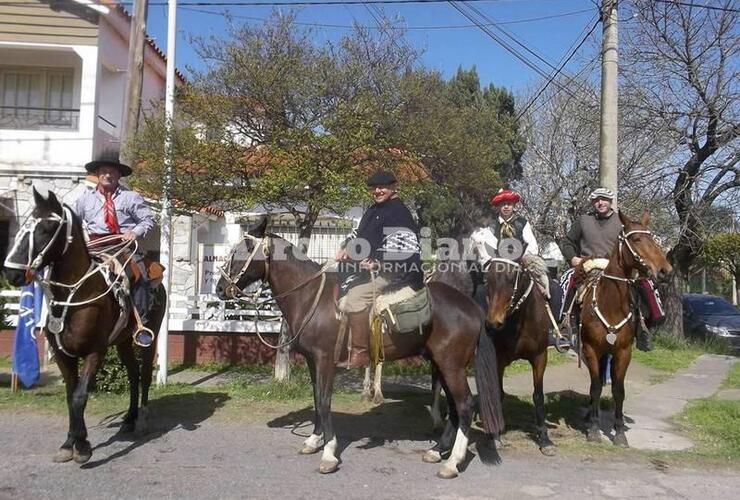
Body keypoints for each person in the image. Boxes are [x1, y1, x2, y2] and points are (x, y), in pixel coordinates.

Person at [335, 170, 423, 366]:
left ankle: (360, 353)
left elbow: (404, 251)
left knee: (356, 297)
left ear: (393, 187)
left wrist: (377, 262)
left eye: (382, 187)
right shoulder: (373, 210)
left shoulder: (400, 213)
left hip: (396, 275)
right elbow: (358, 234)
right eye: (374, 188)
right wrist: (345, 248)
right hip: (369, 271)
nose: (377, 191)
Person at [558, 187, 662, 351]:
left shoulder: (622, 222)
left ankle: (648, 325)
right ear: (593, 202)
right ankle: (564, 325)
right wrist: (573, 258)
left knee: (647, 283)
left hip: (617, 267)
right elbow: (567, 242)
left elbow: (635, 242)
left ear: (610, 201)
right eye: (597, 200)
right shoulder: (583, 221)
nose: (600, 202)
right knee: (567, 280)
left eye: (604, 199)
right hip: (589, 264)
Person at [74, 150, 156, 347]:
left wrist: (135, 232)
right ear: (97, 174)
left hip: (123, 247)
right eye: (103, 171)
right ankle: (63, 320)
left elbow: (148, 220)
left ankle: (140, 324)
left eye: (111, 171)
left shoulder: (131, 198)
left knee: (140, 275)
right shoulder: (85, 199)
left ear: (119, 175)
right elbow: (73, 223)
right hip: (94, 247)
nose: (107, 175)